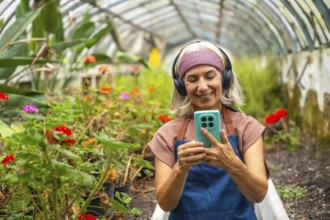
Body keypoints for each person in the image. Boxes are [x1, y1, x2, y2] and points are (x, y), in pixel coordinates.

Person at [148, 40, 269, 220]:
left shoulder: (246, 127)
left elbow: (258, 195)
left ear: (224, 78)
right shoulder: (167, 135)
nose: (202, 87)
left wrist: (231, 163)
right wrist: (180, 168)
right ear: (182, 86)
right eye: (192, 79)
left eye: (210, 76)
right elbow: (166, 204)